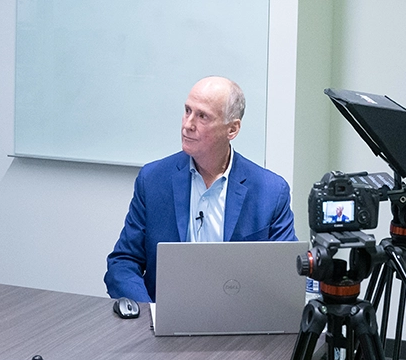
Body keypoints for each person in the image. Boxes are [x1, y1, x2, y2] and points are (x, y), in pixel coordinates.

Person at [104, 76, 297, 302]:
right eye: (187, 111)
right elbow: (123, 263)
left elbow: (286, 275)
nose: (187, 124)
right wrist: (151, 313)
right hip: (164, 320)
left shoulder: (270, 191)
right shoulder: (153, 180)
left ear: (232, 129)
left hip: (238, 322)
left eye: (202, 116)